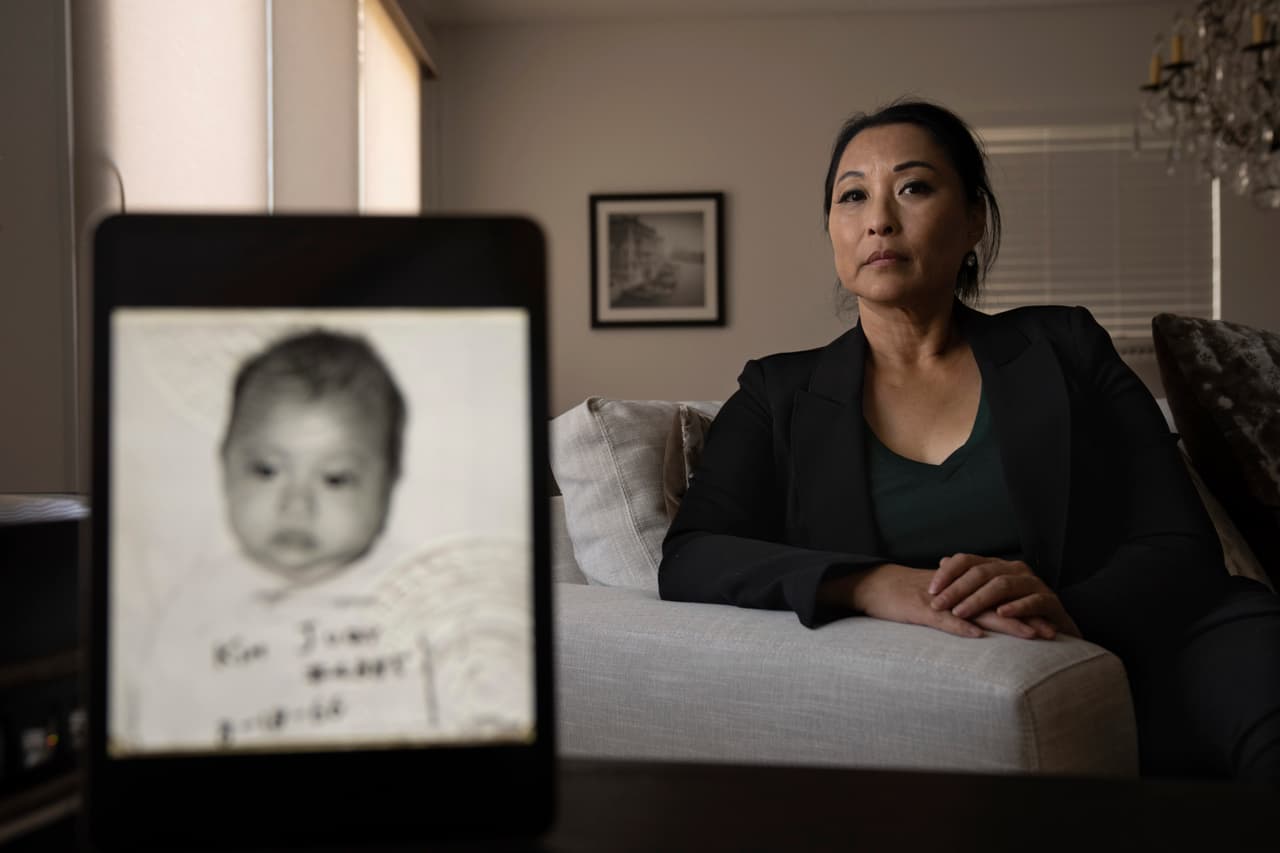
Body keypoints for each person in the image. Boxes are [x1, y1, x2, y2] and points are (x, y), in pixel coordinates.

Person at [658, 100, 1280, 782]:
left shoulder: (1064, 345)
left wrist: (1065, 601)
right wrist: (869, 584)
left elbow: (1180, 542)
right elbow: (691, 555)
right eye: (853, 196)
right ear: (832, 232)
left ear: (974, 219)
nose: (879, 219)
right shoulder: (777, 393)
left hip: (1152, 639)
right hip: (947, 691)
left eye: (914, 187)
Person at [120, 329, 532, 753]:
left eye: (335, 478)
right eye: (265, 470)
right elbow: (157, 726)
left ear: (389, 485)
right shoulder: (193, 609)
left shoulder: (420, 592)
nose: (296, 505)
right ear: (224, 467)